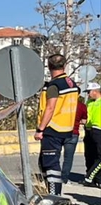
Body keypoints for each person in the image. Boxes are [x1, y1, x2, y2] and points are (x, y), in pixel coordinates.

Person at [34, 54, 80, 196]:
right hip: (67, 128)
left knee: (51, 165)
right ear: (64, 66)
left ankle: (54, 197)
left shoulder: (54, 86)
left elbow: (50, 108)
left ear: (48, 66)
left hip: (53, 128)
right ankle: (53, 194)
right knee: (46, 162)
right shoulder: (72, 84)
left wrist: (40, 129)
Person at [62, 92, 89, 182]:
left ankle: (52, 175)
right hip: (73, 133)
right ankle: (64, 178)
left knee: (55, 155)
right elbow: (84, 121)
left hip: (60, 131)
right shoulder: (81, 106)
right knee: (68, 158)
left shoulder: (62, 104)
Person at [85, 82, 101, 188]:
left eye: (89, 92)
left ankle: (94, 178)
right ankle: (90, 177)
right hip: (92, 130)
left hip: (98, 129)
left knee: (98, 157)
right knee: (93, 155)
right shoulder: (90, 102)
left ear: (95, 92)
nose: (88, 94)